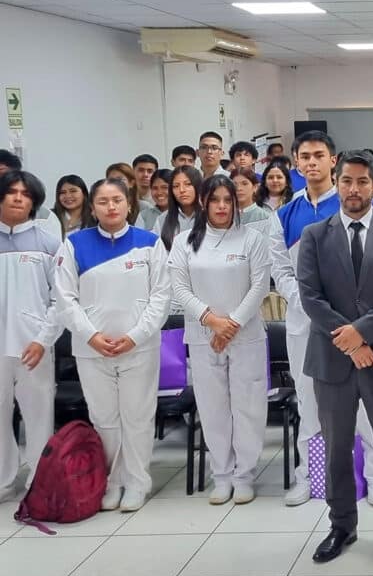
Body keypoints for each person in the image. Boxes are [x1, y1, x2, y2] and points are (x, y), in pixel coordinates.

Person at [296, 150, 373, 563]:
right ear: (337, 181)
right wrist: (350, 341)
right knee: (336, 449)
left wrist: (362, 334)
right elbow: (310, 297)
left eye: (363, 182)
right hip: (332, 360)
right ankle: (341, 525)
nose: (354, 189)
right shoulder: (315, 235)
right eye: (346, 181)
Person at [274, 137, 373, 508]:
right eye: (305, 157)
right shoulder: (285, 214)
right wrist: (311, 307)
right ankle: (312, 476)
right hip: (306, 327)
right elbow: (280, 270)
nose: (312, 163)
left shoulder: (364, 206)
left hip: (360, 327)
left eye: (319, 156)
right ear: (296, 163)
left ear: (333, 161)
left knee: (366, 402)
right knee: (309, 402)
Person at [54, 178, 170, 513]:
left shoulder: (149, 243)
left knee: (137, 416)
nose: (111, 207)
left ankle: (136, 481)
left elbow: (161, 296)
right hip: (92, 348)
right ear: (92, 207)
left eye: (117, 200)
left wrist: (135, 335)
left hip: (139, 346)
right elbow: (64, 298)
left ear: (129, 204)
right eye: (103, 201)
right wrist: (91, 335)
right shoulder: (74, 244)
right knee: (104, 417)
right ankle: (111, 481)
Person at [168, 176, 270, 505]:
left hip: (246, 335)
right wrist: (212, 321)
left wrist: (233, 323)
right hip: (203, 336)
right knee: (213, 408)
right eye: (215, 200)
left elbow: (260, 285)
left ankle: (244, 475)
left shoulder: (252, 239)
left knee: (248, 405)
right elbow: (180, 288)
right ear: (203, 202)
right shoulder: (185, 242)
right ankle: (222, 475)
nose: (223, 206)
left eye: (228, 200)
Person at [0, 171, 61, 504]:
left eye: (25, 193)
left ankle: (40, 479)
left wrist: (43, 339)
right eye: (10, 192)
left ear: (34, 201)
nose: (18, 198)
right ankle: (3, 479)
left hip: (34, 345)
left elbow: (60, 300)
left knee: (39, 416)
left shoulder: (48, 243)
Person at [156, 166, 202, 245]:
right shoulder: (162, 219)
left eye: (188, 184)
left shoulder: (210, 216)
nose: (182, 190)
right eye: (176, 186)